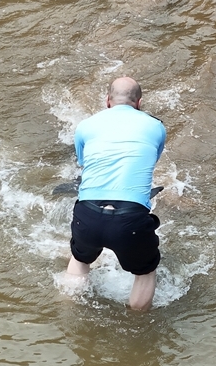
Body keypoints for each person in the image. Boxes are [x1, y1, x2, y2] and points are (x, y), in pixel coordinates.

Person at [65, 77, 166, 310]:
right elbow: (151, 160)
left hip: (88, 211)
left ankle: (69, 309)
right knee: (145, 272)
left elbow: (84, 162)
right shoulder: (156, 126)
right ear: (139, 102)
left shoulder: (85, 125)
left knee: (80, 259)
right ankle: (137, 327)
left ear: (107, 101)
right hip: (130, 218)